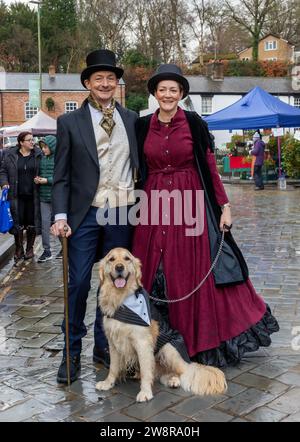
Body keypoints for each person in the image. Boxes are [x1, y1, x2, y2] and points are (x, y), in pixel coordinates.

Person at [132, 64, 279, 368]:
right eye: (162, 89)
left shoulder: (196, 124)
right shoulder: (143, 125)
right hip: (154, 204)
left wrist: (224, 206)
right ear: (155, 94)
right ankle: (151, 342)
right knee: (152, 269)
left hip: (190, 202)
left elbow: (210, 168)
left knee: (189, 269)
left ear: (181, 94)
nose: (168, 94)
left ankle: (196, 342)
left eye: (174, 89)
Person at [51, 49, 139, 384]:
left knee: (118, 283)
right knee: (78, 284)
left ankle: (106, 348)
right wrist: (60, 214)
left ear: (118, 84)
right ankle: (71, 353)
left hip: (121, 212)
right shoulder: (69, 122)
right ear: (88, 83)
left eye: (111, 79)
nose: (105, 84)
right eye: (98, 78)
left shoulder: (131, 119)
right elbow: (61, 175)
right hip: (84, 214)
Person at [0, 131, 41, 264]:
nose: (32, 142)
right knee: (17, 223)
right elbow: (3, 171)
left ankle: (29, 248)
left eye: (32, 140)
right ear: (21, 142)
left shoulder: (38, 155)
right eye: (29, 140)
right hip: (16, 196)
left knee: (32, 223)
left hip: (33, 196)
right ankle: (19, 249)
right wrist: (4, 183)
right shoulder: (10, 155)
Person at [34, 135, 62, 262]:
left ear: (52, 146)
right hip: (43, 197)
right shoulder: (42, 158)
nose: (43, 149)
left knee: (60, 224)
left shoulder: (60, 159)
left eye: (45, 147)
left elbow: (62, 177)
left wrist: (47, 180)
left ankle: (66, 247)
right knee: (45, 225)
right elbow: (40, 174)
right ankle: (47, 251)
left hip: (57, 197)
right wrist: (38, 179)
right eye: (42, 147)